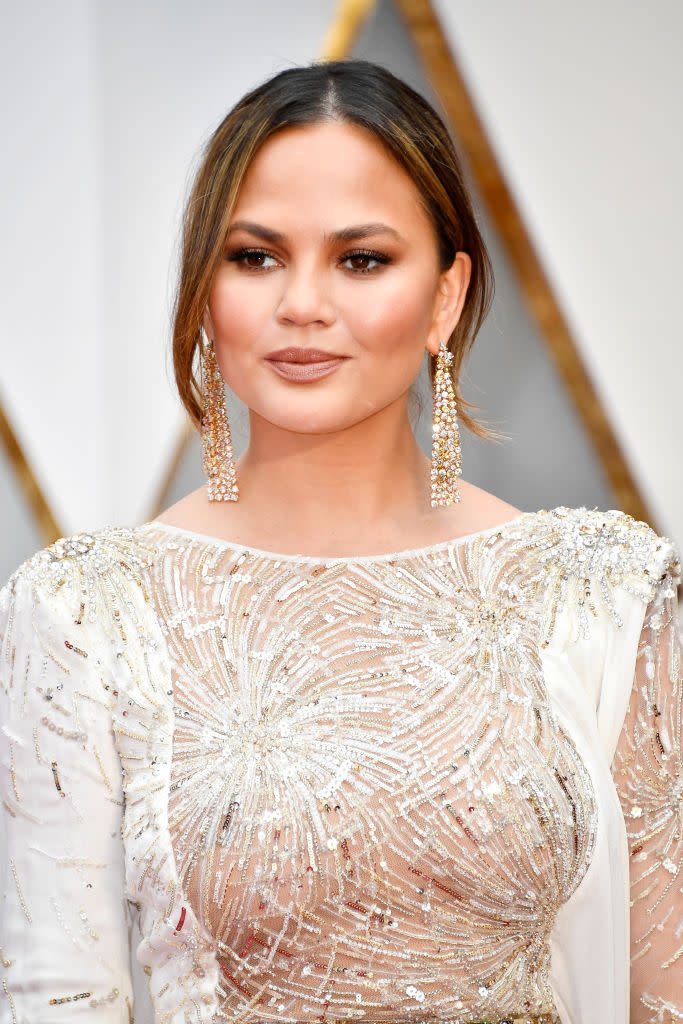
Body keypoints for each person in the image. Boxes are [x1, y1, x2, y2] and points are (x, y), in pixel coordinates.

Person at [0, 58, 680, 1024]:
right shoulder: (86, 612)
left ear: (445, 298)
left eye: (360, 259)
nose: (302, 304)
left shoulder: (601, 597)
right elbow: (55, 995)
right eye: (254, 256)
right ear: (205, 293)